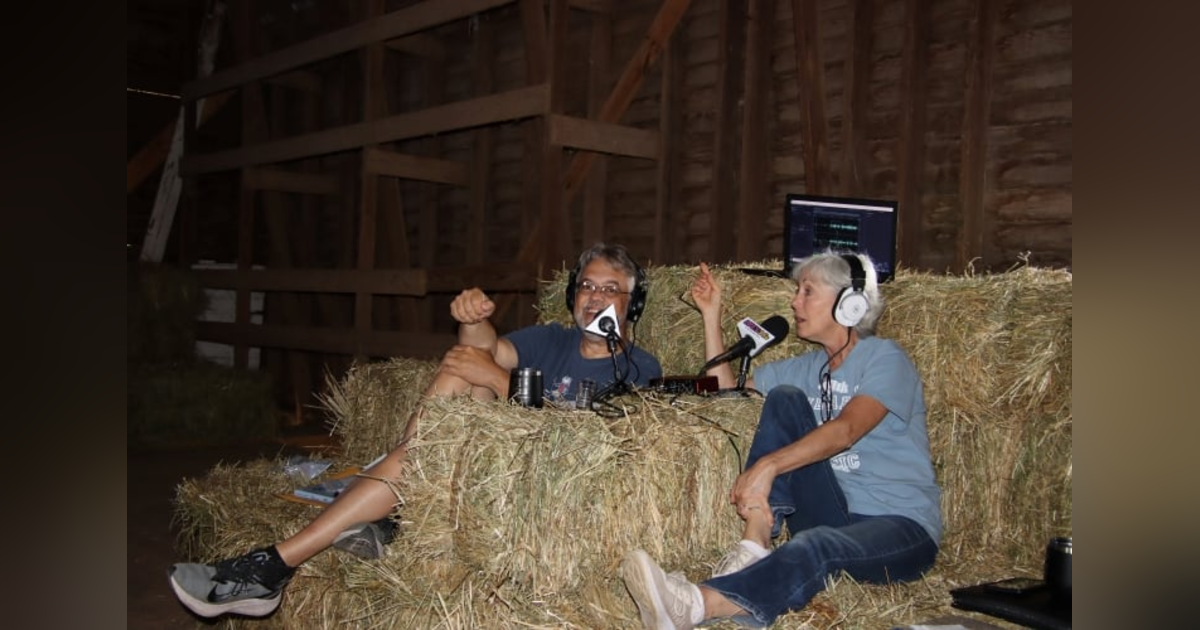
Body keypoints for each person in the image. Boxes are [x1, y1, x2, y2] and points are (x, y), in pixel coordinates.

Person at [169, 242, 663, 619]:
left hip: (534, 495)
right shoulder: (553, 338)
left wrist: (497, 380)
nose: (594, 297)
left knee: (461, 393)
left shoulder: (640, 367)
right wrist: (474, 319)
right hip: (483, 463)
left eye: (610, 289)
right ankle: (400, 489)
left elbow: (585, 452)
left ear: (633, 305)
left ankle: (280, 561)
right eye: (587, 286)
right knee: (460, 365)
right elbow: (485, 351)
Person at [619, 250, 941, 629]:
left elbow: (846, 431)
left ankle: (695, 605)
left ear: (849, 304)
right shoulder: (805, 369)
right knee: (784, 397)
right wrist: (711, 315)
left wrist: (768, 466)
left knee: (816, 545)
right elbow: (727, 395)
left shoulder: (886, 359)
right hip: (832, 512)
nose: (794, 302)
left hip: (898, 527)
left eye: (808, 291)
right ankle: (754, 543)